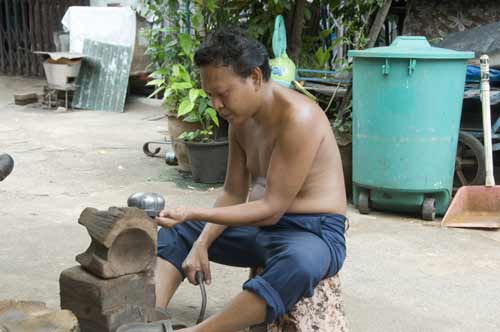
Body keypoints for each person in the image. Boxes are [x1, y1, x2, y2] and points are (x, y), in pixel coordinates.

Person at [155, 28, 347, 332]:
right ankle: (152, 318)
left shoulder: (299, 118)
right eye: (210, 96)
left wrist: (193, 211)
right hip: (258, 228)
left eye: (223, 94)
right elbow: (233, 193)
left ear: (255, 78)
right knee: (177, 231)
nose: (217, 105)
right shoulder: (240, 121)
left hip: (312, 232)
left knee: (300, 265)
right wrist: (201, 241)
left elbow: (272, 208)